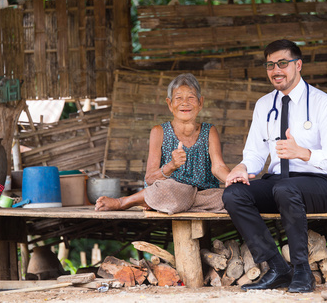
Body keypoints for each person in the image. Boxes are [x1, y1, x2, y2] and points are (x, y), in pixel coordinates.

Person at [222, 39, 327, 293]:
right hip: (279, 184)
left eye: (282, 63)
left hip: (317, 185)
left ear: (298, 65)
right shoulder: (264, 105)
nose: (276, 70)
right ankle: (277, 267)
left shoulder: (324, 103)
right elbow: (255, 154)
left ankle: (302, 271)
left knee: (286, 189)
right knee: (234, 194)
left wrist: (303, 153)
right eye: (270, 65)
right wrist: (242, 168)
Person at [96, 73, 230, 214]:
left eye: (191, 97)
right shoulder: (159, 131)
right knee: (171, 190)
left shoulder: (209, 131)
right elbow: (150, 178)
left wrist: (235, 181)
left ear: (200, 103)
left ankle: (158, 202)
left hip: (203, 195)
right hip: (171, 190)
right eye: (178, 98)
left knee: (230, 198)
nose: (185, 103)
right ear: (170, 104)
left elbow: (218, 167)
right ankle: (123, 202)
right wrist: (172, 165)